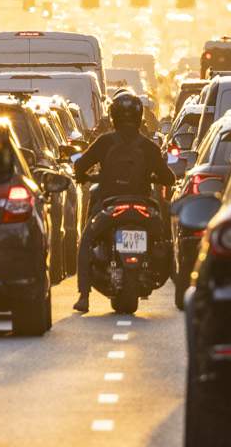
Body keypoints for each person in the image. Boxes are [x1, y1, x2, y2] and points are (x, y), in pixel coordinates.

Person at [69, 88, 175, 313]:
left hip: (109, 207)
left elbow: (79, 165)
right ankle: (181, 290)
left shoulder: (104, 142)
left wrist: (82, 176)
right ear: (139, 117)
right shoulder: (149, 146)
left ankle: (84, 296)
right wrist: (155, 176)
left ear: (113, 117)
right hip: (143, 206)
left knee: (87, 239)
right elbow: (169, 177)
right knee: (165, 238)